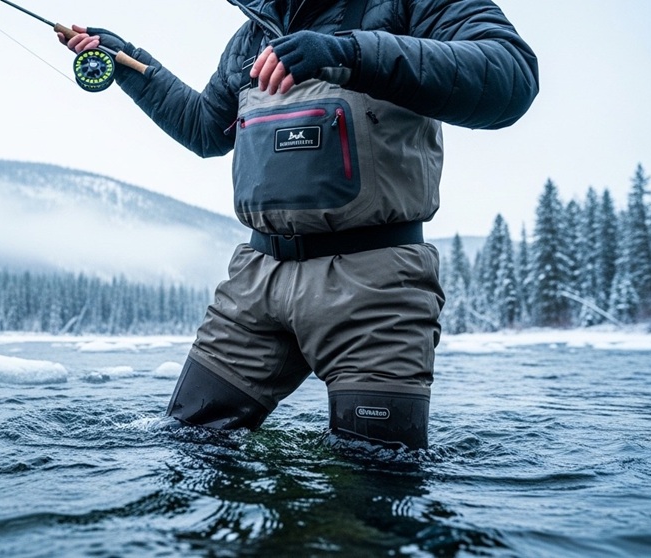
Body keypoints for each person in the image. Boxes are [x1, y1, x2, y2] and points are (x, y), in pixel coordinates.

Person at [60, 0, 538, 450]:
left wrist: (347, 53)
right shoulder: (253, 34)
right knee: (191, 445)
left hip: (374, 285)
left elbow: (511, 76)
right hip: (254, 284)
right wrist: (128, 64)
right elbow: (206, 129)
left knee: (374, 475)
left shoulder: (408, 5)